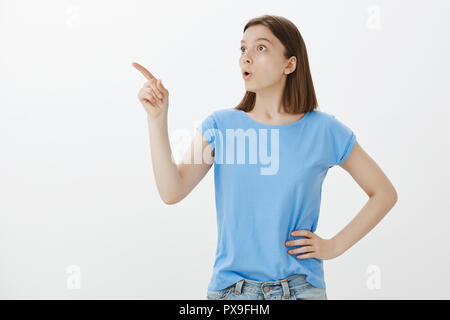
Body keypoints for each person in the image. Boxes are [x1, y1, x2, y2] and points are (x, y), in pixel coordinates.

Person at [132, 14, 398, 300]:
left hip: (300, 289)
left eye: (260, 48)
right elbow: (172, 191)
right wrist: (157, 120)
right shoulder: (220, 126)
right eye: (243, 49)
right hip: (231, 293)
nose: (246, 57)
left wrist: (334, 246)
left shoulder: (325, 130)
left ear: (289, 64)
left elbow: (384, 193)